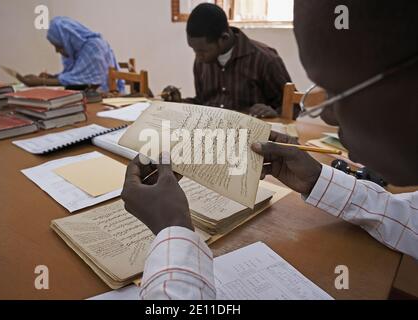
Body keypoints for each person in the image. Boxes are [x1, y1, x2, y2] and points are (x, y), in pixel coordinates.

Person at [122, 0, 418, 299]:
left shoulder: (264, 58)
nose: (325, 115)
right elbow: (406, 218)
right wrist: (318, 181)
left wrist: (173, 229)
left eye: (335, 89)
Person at [162, 3, 293, 118]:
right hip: (212, 135)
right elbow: (203, 102)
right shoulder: (202, 61)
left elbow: (294, 109)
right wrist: (178, 103)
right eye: (194, 50)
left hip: (251, 139)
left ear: (224, 38)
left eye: (202, 51)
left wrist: (274, 112)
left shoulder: (265, 60)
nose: (198, 56)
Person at [18, 16, 125, 93]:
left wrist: (42, 82)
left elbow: (85, 81)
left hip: (106, 99)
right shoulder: (76, 51)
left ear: (68, 40)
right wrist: (53, 77)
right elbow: (75, 76)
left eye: (59, 46)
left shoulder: (94, 47)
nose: (56, 50)